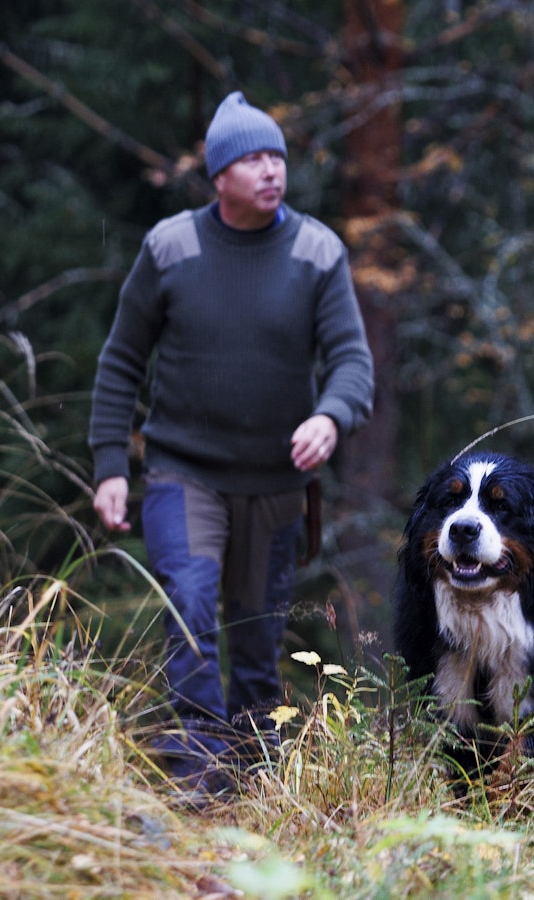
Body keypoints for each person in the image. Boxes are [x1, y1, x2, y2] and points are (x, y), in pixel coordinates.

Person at [88, 92, 374, 800]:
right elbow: (122, 360)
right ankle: (196, 767)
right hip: (183, 472)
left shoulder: (316, 251)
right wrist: (109, 467)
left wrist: (331, 418)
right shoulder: (170, 248)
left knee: (255, 640)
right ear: (218, 175)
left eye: (276, 156)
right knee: (188, 601)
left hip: (276, 485)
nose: (270, 170)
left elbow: (352, 362)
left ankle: (255, 787)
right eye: (252, 159)